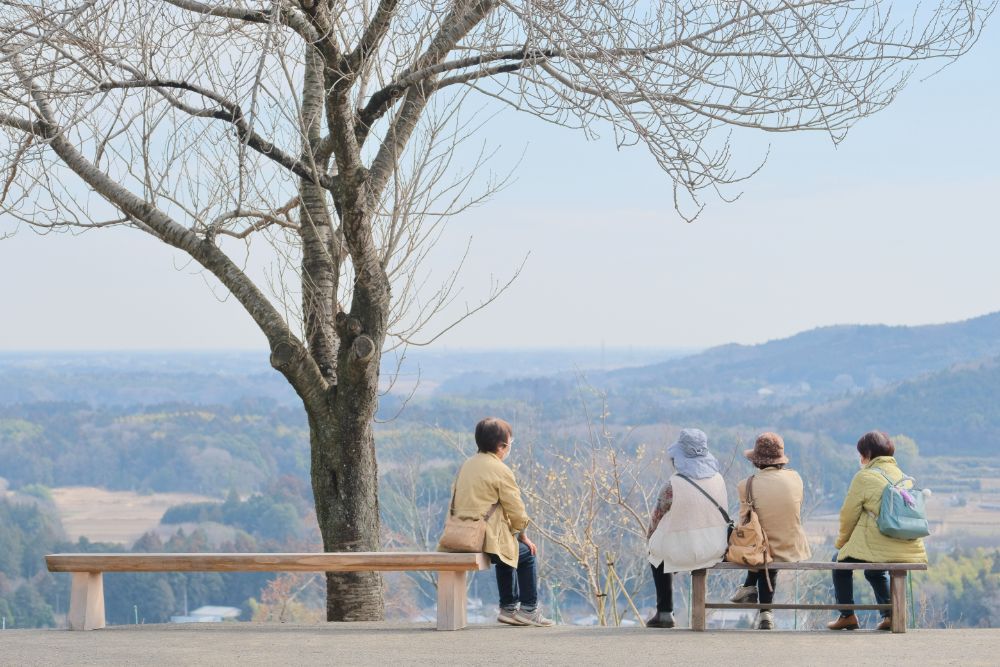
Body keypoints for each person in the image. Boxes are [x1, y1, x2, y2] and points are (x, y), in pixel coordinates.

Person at [438, 417, 554, 627]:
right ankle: (528, 609)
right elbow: (516, 509)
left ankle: (509, 608)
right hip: (482, 538)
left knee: (509, 549)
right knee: (525, 554)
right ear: (502, 446)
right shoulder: (500, 469)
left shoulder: (468, 464)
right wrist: (523, 534)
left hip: (458, 535)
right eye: (510, 443)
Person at [827, 431, 927, 631]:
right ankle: (890, 615)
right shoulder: (903, 477)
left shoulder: (864, 477)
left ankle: (847, 615)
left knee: (838, 562)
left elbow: (848, 515)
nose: (860, 458)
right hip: (908, 546)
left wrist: (842, 542)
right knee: (874, 571)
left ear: (868, 453)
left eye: (861, 453)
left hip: (880, 544)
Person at [646, 428, 729, 628]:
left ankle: (664, 611)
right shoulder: (718, 479)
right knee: (666, 550)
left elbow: (655, 520)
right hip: (716, 547)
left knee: (656, 555)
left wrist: (650, 540)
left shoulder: (672, 486)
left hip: (684, 551)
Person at [727, 432, 811, 630]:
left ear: (757, 461)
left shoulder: (745, 485)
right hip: (791, 545)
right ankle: (764, 611)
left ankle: (750, 589)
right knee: (769, 551)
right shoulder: (796, 479)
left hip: (759, 549)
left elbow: (745, 522)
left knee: (761, 547)